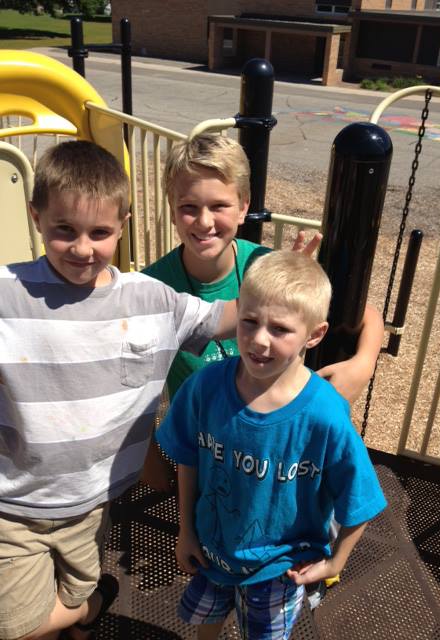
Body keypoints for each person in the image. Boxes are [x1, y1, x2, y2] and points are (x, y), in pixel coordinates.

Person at [0, 140, 239, 640]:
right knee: (17, 626)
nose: (82, 248)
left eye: (99, 232)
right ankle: (91, 608)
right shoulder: (8, 293)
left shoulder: (151, 300)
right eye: (64, 230)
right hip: (15, 505)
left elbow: (224, 318)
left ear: (122, 226)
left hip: (93, 502)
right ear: (36, 218)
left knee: (71, 595)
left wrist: (289, 283)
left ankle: (85, 611)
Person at [157, 250, 387, 640]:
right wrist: (186, 530)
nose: (259, 339)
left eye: (279, 329)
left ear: (314, 335)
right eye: (249, 321)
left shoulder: (324, 414)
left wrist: (336, 562)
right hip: (213, 549)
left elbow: (361, 497)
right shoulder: (205, 388)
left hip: (280, 568)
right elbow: (188, 458)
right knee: (207, 623)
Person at [142, 133, 383, 407]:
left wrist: (363, 364)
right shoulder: (152, 286)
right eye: (189, 207)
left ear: (243, 207)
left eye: (219, 206)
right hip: (198, 430)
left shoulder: (267, 267)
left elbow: (364, 313)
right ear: (172, 210)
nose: (205, 221)